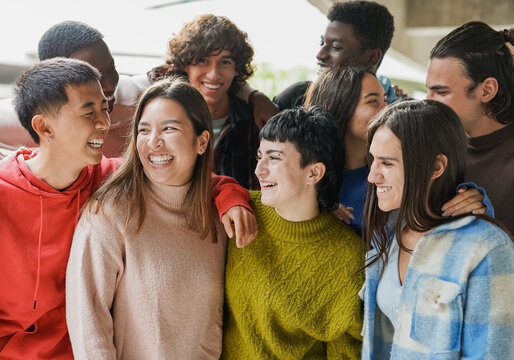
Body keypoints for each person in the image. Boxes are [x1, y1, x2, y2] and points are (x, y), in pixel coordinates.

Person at [0, 58, 255, 359]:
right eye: (88, 112)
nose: (103, 123)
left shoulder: (107, 176)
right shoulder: (7, 197)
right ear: (44, 127)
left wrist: (231, 197)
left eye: (104, 109)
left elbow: (186, 179)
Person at [66, 77, 231, 358]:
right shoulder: (111, 212)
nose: (154, 142)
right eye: (144, 130)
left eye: (169, 128)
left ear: (202, 141)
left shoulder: (218, 217)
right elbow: (88, 324)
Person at [361, 99, 514, 359]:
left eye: (387, 163)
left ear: (436, 167)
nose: (372, 176)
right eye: (373, 160)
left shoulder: (488, 249)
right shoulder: (386, 235)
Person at [222, 107, 364, 359]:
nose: (259, 170)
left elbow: (347, 351)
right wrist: (227, 198)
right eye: (259, 156)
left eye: (274, 158)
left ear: (314, 173)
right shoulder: (242, 210)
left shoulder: (349, 257)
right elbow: (201, 184)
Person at [305, 65, 490, 235]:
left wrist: (477, 201)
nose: (386, 109)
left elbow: (441, 204)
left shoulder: (395, 174)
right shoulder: (308, 177)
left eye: (385, 99)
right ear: (338, 107)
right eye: (372, 101)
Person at [0, 21, 139, 157]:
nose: (109, 85)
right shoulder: (20, 118)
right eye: (95, 78)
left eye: (112, 69)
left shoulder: (133, 98)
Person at [426, 21, 514, 234]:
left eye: (441, 92)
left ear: (487, 90)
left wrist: (489, 223)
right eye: (428, 90)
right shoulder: (436, 147)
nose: (427, 102)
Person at [161, 14, 260, 189]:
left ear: (237, 69)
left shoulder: (255, 123)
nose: (214, 74)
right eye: (203, 61)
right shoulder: (161, 118)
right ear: (185, 64)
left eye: (225, 62)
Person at [274, 0, 400, 111]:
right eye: (321, 43)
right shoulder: (297, 97)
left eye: (336, 47)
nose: (320, 55)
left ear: (372, 58)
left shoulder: (397, 116)